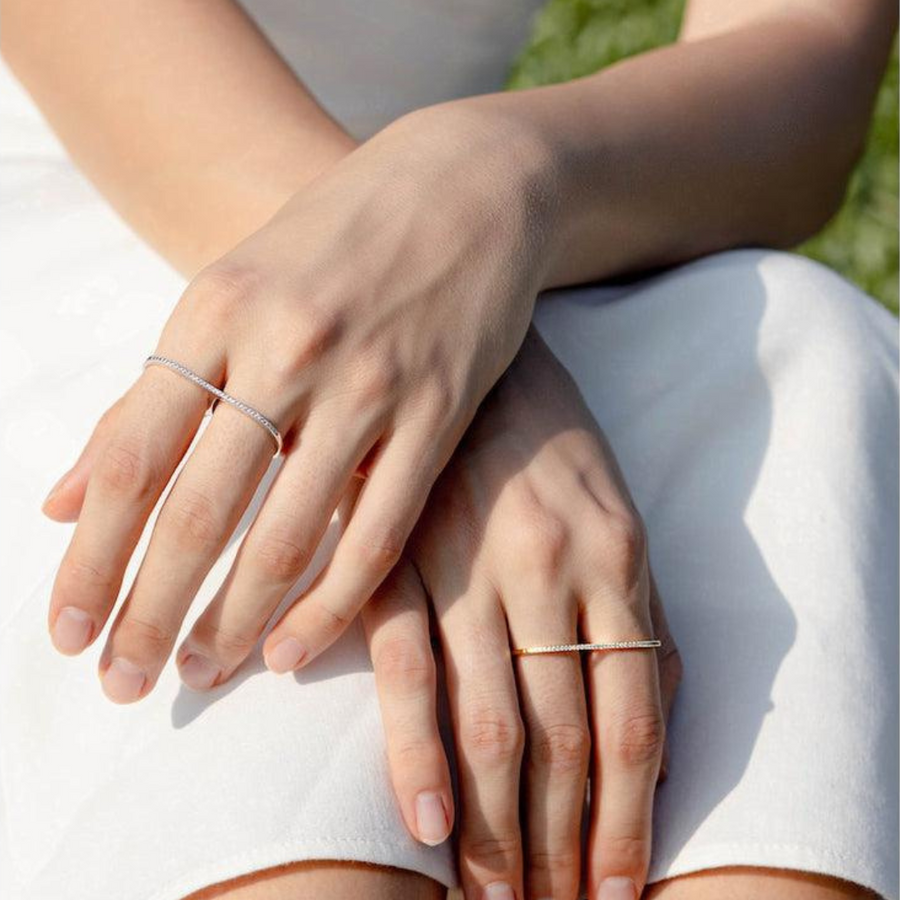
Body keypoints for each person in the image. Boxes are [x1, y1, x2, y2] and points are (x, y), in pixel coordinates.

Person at [0, 1, 896, 899]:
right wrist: (468, 392)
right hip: (108, 227)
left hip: (511, 237)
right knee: (324, 668)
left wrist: (490, 181)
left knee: (797, 344)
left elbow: (803, 62)